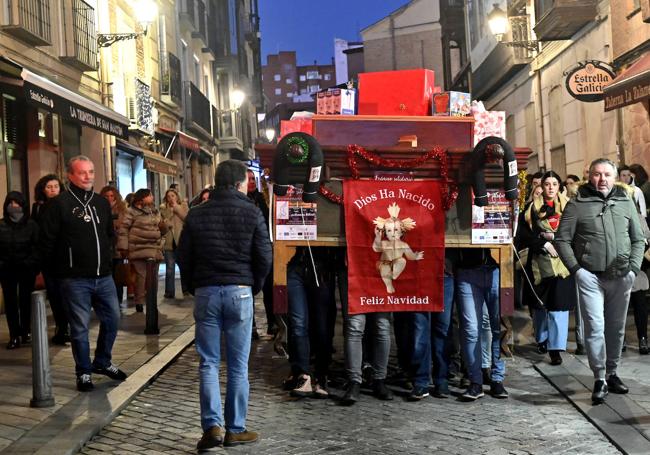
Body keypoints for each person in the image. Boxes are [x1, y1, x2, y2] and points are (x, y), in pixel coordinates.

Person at [177, 160, 272, 451]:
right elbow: (264, 255)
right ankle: (235, 429)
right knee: (238, 364)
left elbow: (184, 256)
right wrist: (253, 285)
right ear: (240, 183)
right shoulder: (252, 211)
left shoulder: (196, 214)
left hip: (206, 291)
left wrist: (195, 284)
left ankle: (212, 428)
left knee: (207, 362)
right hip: (239, 292)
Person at [555, 158, 645, 404]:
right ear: (589, 177)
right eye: (597, 174)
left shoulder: (625, 203)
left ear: (614, 177)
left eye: (607, 174)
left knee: (616, 329)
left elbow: (639, 238)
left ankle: (613, 372)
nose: (602, 179)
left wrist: (633, 269)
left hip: (621, 276)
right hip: (590, 277)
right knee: (595, 328)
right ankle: (600, 377)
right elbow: (562, 239)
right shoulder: (577, 205)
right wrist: (576, 269)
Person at [39, 155, 127, 391]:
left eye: (91, 171)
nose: (88, 176)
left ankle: (102, 361)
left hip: (103, 276)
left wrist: (108, 259)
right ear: (70, 175)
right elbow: (47, 241)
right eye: (82, 172)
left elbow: (109, 234)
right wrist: (57, 271)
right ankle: (84, 372)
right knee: (79, 327)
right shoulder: (59, 204)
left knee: (113, 318)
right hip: (74, 279)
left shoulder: (100, 203)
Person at [516, 171, 574, 366]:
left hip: (564, 264)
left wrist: (556, 239)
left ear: (560, 186)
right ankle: (542, 338)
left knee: (559, 306)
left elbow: (577, 231)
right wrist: (541, 242)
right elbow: (522, 236)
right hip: (538, 263)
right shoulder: (530, 210)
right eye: (547, 184)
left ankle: (556, 348)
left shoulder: (570, 207)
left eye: (554, 184)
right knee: (540, 305)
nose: (550, 187)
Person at [456, 248, 507, 401]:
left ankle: (497, 378)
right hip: (466, 271)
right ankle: (475, 381)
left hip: (499, 269)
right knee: (471, 329)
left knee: (500, 328)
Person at [32, 174, 69, 344]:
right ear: (43, 190)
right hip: (47, 258)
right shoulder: (38, 208)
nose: (53, 190)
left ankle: (66, 327)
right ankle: (61, 327)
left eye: (56, 186)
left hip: (64, 258)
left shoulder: (66, 205)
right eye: (49, 187)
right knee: (54, 295)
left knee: (66, 294)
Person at [0, 192, 39, 349]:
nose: (14, 206)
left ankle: (25, 331)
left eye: (17, 203)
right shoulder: (1, 225)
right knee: (10, 303)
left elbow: (37, 248)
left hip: (26, 269)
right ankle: (14, 335)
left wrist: (31, 264)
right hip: (6, 270)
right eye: (11, 203)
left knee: (25, 301)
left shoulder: (31, 225)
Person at [117, 188, 166, 313]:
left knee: (152, 277)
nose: (152, 197)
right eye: (150, 195)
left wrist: (162, 235)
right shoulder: (131, 212)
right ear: (142, 197)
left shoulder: (153, 211)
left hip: (154, 248)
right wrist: (124, 248)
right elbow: (124, 230)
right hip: (138, 248)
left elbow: (161, 228)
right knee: (142, 276)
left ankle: (150, 301)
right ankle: (140, 301)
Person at [246, 169, 276, 336]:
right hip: (248, 252)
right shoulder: (242, 200)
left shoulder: (262, 198)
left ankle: (272, 323)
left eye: (252, 179)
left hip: (264, 248)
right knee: (248, 291)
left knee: (269, 289)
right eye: (248, 179)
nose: (251, 182)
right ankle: (252, 327)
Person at [100, 186, 128, 308]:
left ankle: (118, 299)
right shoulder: (99, 208)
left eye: (112, 196)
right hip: (105, 247)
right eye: (107, 196)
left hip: (118, 246)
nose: (110, 198)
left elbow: (124, 226)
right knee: (107, 275)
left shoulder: (122, 209)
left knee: (118, 275)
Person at [159, 188, 189, 299]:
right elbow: (162, 226)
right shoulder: (163, 209)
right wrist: (167, 220)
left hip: (181, 240)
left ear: (177, 196)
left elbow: (186, 218)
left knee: (184, 267)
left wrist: (176, 207)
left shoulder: (183, 206)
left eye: (173, 195)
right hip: (169, 241)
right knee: (170, 268)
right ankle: (169, 292)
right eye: (168, 196)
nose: (171, 198)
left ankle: (186, 289)